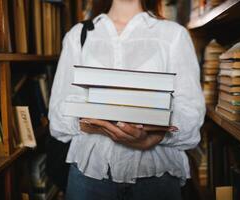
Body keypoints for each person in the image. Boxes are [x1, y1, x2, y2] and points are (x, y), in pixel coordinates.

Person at [48, 0, 205, 199]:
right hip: (89, 178)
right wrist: (94, 124)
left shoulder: (174, 35)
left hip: (157, 181)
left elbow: (191, 119)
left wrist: (153, 138)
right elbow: (57, 121)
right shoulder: (77, 36)